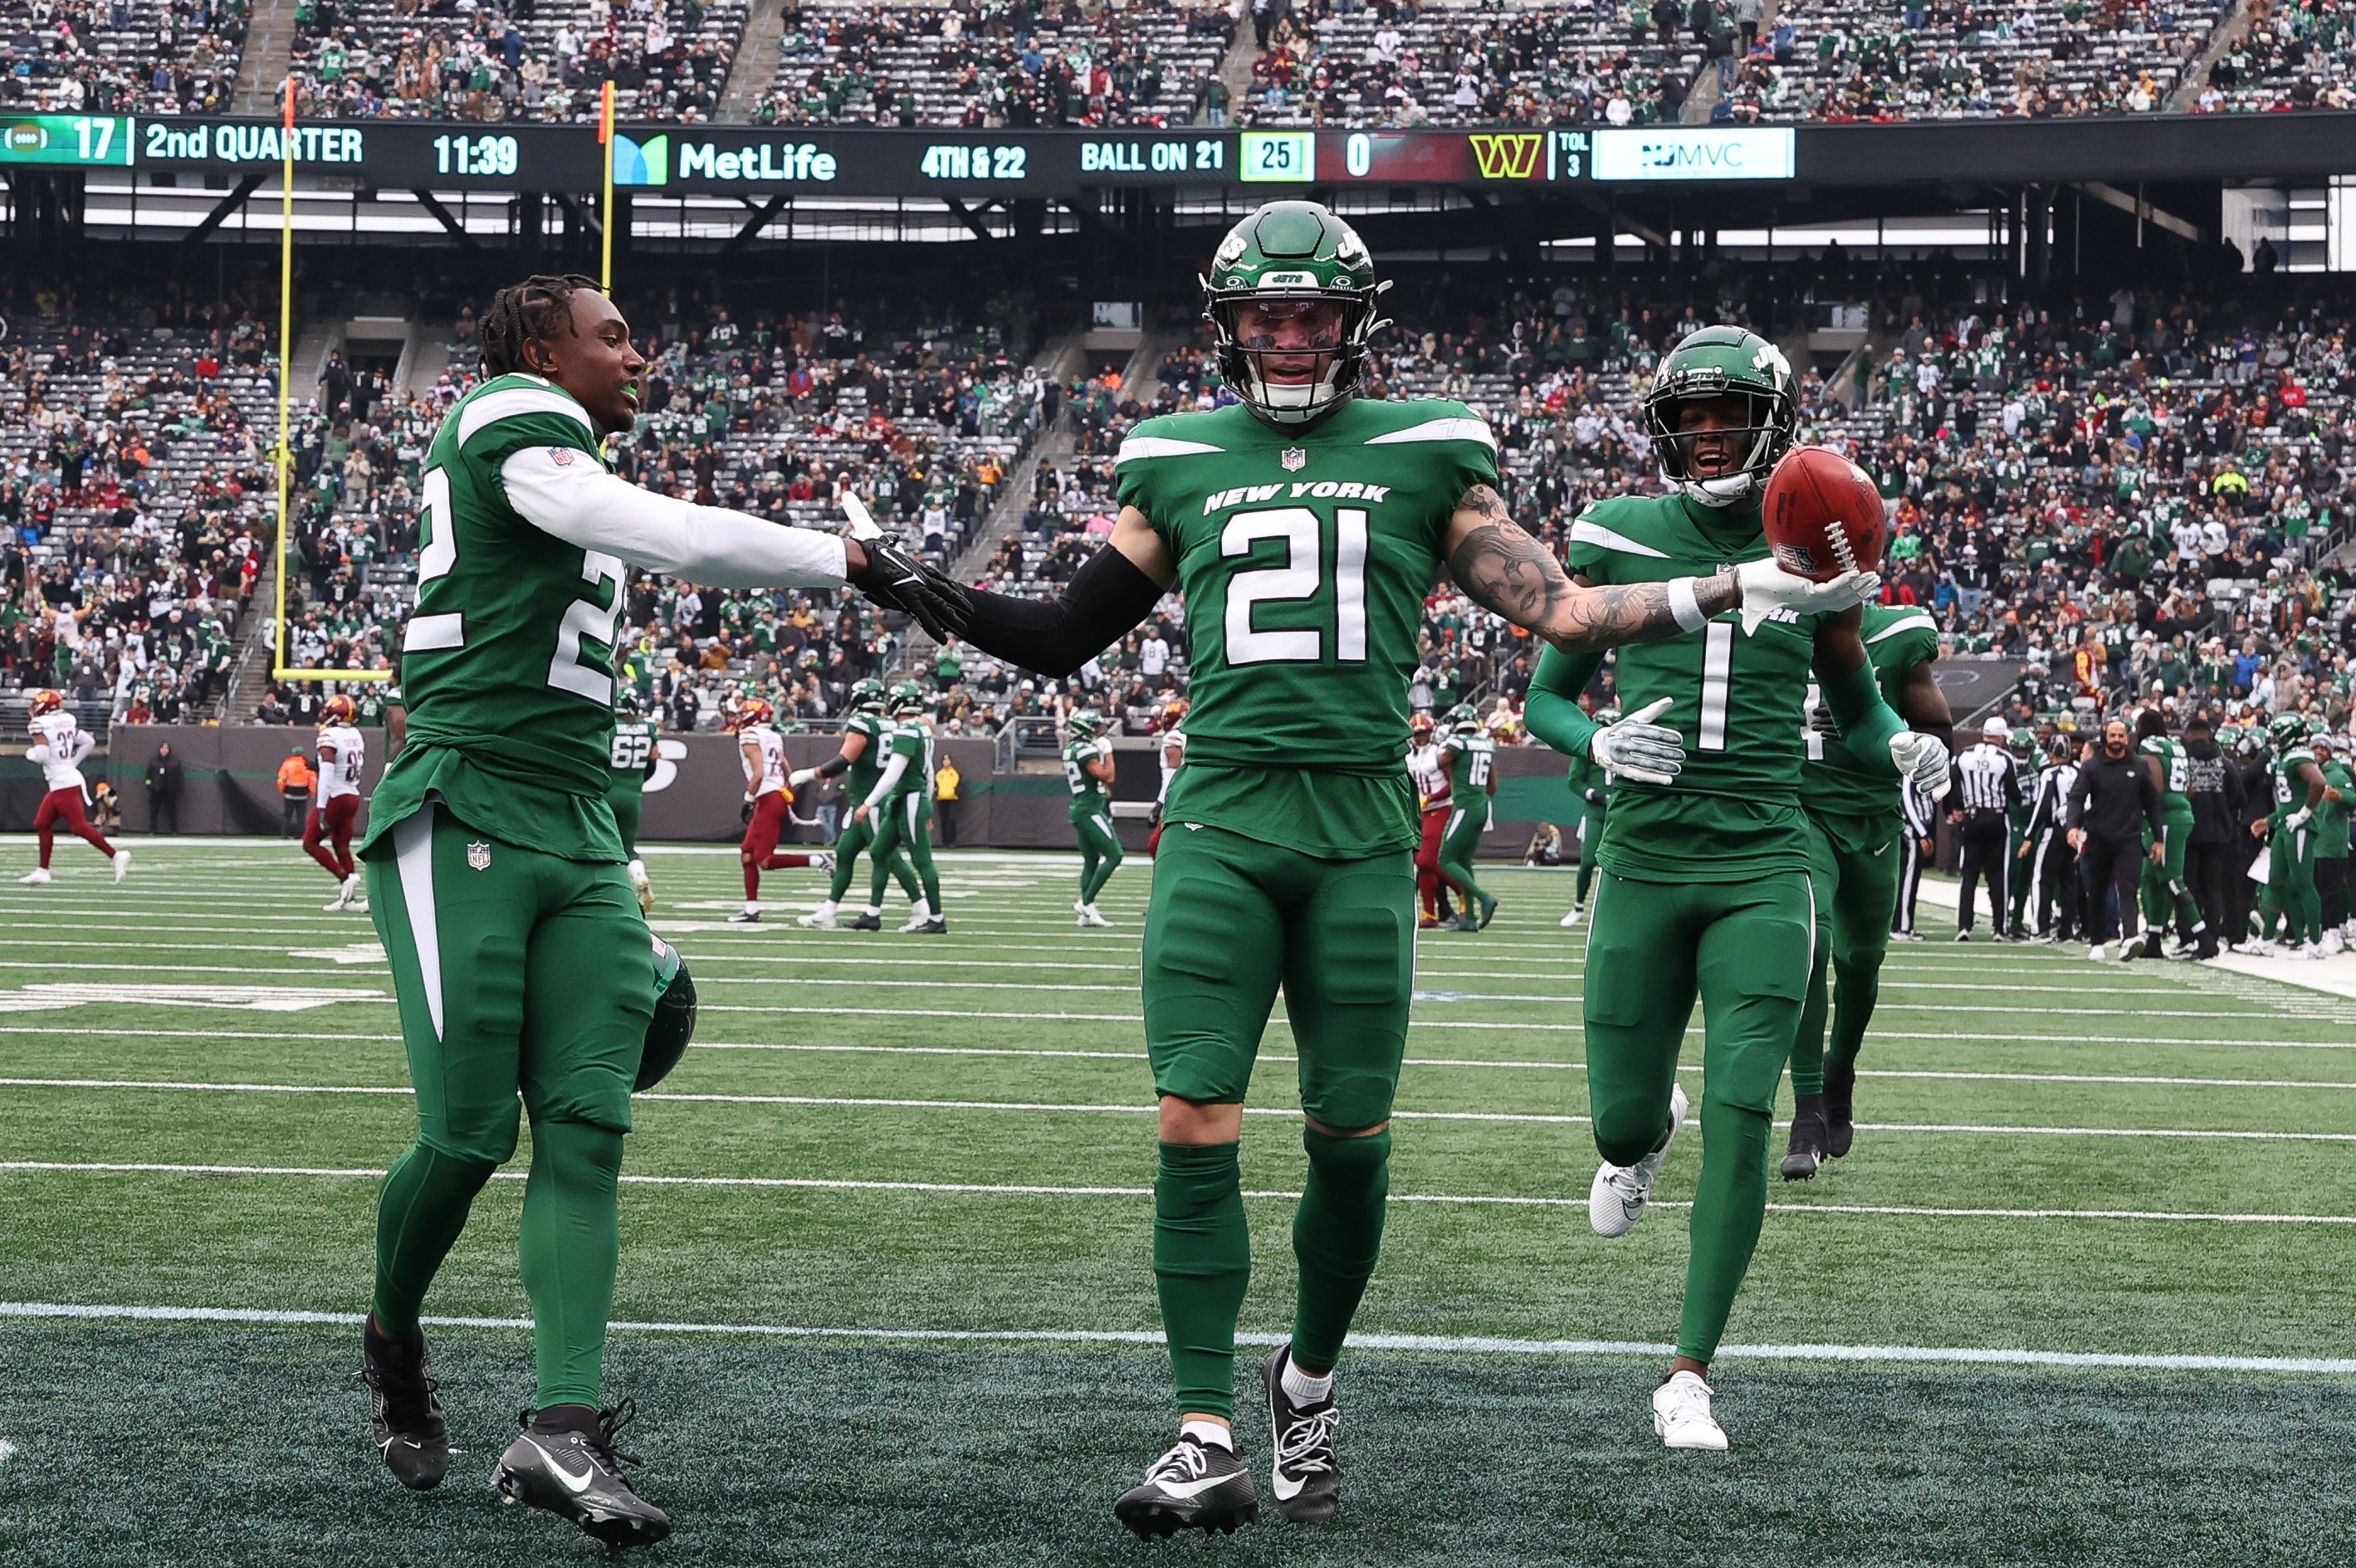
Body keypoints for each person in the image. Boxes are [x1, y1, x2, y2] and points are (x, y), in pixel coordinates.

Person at [925, 203, 1870, 1530]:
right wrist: (901, 580)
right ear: (1231, 325)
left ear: (1355, 325)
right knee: (1193, 1112)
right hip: (1220, 824)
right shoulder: (1175, 452)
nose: (1291, 336)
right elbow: (1059, 634)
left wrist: (1726, 590)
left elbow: (1564, 608)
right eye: (1267, 315)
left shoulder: (1429, 451)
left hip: (1363, 829)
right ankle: (1201, 1427)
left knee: (1350, 1142)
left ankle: (1303, 1382)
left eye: (1313, 315)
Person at [348, 272, 946, 1547]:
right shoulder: (509, 415)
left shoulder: (558, 455)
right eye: (611, 334)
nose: (639, 352)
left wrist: (617, 858)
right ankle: (393, 1338)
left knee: (586, 1123)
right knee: (464, 1137)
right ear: (538, 352)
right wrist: (844, 559)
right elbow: (666, 534)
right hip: (465, 804)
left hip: (571, 821)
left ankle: (560, 1431)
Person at [1525, 324, 1946, 1453]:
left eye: (1729, 414)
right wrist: (1601, 743)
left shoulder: (1818, 541)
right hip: (1644, 858)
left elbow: (1856, 710)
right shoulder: (1613, 530)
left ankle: (1687, 1373)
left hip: (1765, 856)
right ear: (1665, 427)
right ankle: (1638, 1132)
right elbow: (1545, 700)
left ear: (1771, 426)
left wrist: (1900, 747)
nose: (1708, 434)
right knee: (1622, 1114)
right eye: (1691, 416)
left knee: (1744, 1117)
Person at [1783, 601, 1948, 1177]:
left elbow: (1937, 725)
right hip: (1802, 811)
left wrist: (1923, 747)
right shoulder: (1771, 618)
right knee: (1810, 946)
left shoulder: (1898, 635)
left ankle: (1839, 1070)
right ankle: (1805, 1112)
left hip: (1875, 820)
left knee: (1861, 963)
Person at [793, 679, 921, 929]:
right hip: (871, 798)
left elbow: (844, 759)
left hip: (870, 801)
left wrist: (810, 774)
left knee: (888, 858)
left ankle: (921, 907)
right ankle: (828, 911)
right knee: (845, 853)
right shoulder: (890, 723)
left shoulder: (862, 723)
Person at [2065, 718, 2165, 962]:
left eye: (2121, 735)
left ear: (2128, 737)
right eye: (2113, 735)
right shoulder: (2092, 767)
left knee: (2128, 888)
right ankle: (2097, 941)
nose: (2117, 740)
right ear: (2105, 737)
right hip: (2098, 837)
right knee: (2097, 891)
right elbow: (2076, 798)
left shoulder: (2140, 765)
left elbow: (2152, 803)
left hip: (2129, 839)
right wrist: (2072, 826)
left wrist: (2158, 839)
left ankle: (2129, 937)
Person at [729, 696, 832, 924]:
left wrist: (748, 800)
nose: (738, 718)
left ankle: (817, 860)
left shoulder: (750, 735)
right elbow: (785, 766)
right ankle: (751, 908)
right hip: (774, 796)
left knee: (763, 860)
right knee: (747, 854)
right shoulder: (773, 736)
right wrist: (783, 789)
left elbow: (758, 774)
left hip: (767, 797)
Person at [855, 681, 946, 933]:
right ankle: (873, 913)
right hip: (906, 800)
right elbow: (929, 770)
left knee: (922, 861)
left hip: (910, 799)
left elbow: (892, 774)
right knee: (878, 851)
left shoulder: (907, 730)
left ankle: (936, 918)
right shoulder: (922, 729)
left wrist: (867, 803)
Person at [19, 690, 130, 886]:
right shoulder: (66, 720)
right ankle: (43, 870)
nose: (33, 708)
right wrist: (71, 763)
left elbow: (41, 754)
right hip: (63, 780)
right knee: (42, 823)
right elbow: (89, 741)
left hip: (64, 784)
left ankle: (116, 855)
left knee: (79, 827)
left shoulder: (40, 724)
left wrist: (29, 753)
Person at [2133, 709, 2208, 959]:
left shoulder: (2149, 745)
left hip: (2164, 817)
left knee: (2171, 878)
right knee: (2151, 878)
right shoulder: (2176, 746)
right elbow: (2190, 787)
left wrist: (2141, 809)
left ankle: (2204, 938)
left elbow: (2155, 786)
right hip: (2177, 813)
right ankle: (2154, 938)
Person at [2252, 714, 2329, 957]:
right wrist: (2270, 821)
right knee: (2275, 882)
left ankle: (2316, 944)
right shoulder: (2285, 756)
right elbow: (2288, 801)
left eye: (2278, 734)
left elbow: (2319, 782)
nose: (2275, 739)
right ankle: (2266, 941)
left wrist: (2304, 814)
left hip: (2300, 828)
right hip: (2286, 827)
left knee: (2304, 883)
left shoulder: (2299, 755)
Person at [1950, 716, 2021, 940]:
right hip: (1995, 818)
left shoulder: (1963, 754)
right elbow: (2013, 792)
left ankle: (1964, 926)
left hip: (1971, 818)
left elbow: (1950, 782)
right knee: (1997, 874)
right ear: (2000, 736)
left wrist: (1956, 808)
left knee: (1969, 874)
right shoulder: (2005, 757)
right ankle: (1999, 928)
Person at [2179, 714, 2241, 959]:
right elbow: (2239, 796)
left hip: (2189, 831)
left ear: (2188, 735)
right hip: (2219, 833)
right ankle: (2212, 935)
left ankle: (2189, 935)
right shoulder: (2225, 763)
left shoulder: (2183, 761)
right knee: (2212, 887)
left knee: (2188, 885)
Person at [1435, 702, 1498, 930]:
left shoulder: (1456, 743)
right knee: (1463, 861)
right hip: (1482, 804)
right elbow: (1492, 786)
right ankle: (1469, 918)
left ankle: (1484, 898)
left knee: (1445, 861)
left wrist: (1440, 744)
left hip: (1465, 806)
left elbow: (1439, 762)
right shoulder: (1487, 744)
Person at [2021, 733, 2084, 943]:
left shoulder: (2049, 773)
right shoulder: (2079, 771)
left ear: (2050, 753)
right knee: (2069, 881)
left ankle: (2039, 928)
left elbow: (2042, 806)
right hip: (2076, 831)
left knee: (2042, 879)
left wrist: (2029, 835)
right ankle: (2066, 930)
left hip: (2055, 831)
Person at [1062, 708, 1122, 926]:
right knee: (1115, 855)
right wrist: (1108, 753)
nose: (1099, 731)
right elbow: (1108, 775)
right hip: (1089, 809)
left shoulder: (1071, 748)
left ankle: (1087, 915)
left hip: (1082, 805)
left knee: (1092, 861)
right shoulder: (1087, 750)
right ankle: (1086, 902)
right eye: (1096, 726)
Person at [310, 693, 369, 912]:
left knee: (310, 842)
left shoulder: (329, 735)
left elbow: (326, 773)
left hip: (336, 795)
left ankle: (345, 878)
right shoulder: (355, 734)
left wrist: (321, 806)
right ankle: (350, 900)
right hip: (352, 795)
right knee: (342, 847)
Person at [606, 687, 661, 914]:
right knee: (628, 849)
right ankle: (639, 876)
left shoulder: (608, 727)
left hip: (606, 792)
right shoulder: (648, 729)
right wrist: (637, 780)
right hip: (633, 794)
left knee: (602, 846)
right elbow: (653, 761)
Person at [1560, 706, 1615, 928]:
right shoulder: (1588, 748)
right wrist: (1593, 794)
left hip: (1619, 811)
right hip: (1596, 811)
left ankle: (1612, 911)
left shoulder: (1626, 747)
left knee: (1618, 865)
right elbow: (1574, 781)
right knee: (1589, 861)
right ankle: (1579, 906)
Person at [1408, 711, 1457, 928]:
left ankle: (1465, 892)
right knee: (1424, 866)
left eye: (1424, 733)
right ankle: (1429, 913)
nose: (1421, 738)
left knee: (1427, 861)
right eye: (1417, 734)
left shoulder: (1439, 753)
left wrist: (1430, 798)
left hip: (1441, 809)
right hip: (1421, 812)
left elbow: (1451, 786)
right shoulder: (1409, 756)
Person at [2311, 736, 2351, 950]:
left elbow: (2352, 798)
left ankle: (2334, 933)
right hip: (2316, 841)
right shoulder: (2311, 774)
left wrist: (2341, 797)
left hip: (2332, 843)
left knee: (2331, 891)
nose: (2319, 751)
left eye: (2322, 748)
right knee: (2317, 890)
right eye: (2315, 747)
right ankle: (2322, 931)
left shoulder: (2337, 774)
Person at [144, 742, 182, 834]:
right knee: (154, 812)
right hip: (156, 791)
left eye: (166, 749)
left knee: (172, 811)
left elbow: (179, 778)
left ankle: (174, 830)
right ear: (159, 749)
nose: (164, 751)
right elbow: (148, 776)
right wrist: (150, 787)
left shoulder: (175, 762)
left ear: (169, 750)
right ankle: (152, 830)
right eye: (162, 749)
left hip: (170, 792)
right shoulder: (153, 761)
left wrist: (179, 790)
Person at [278, 745, 315, 838]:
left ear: (293, 753)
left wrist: (282, 789)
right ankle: (300, 835)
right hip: (303, 794)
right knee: (301, 816)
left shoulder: (287, 763)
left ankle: (284, 834)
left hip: (290, 793)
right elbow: (313, 780)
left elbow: (282, 778)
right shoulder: (307, 764)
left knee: (287, 814)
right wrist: (311, 792)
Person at [933, 750, 961, 848]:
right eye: (945, 761)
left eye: (948, 760)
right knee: (943, 820)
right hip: (941, 799)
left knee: (951, 819)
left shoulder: (954, 773)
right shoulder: (939, 774)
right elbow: (935, 785)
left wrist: (955, 792)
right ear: (942, 762)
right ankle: (944, 841)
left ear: (950, 762)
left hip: (952, 799)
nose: (946, 762)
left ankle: (952, 841)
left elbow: (958, 785)